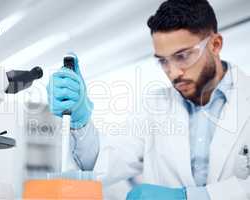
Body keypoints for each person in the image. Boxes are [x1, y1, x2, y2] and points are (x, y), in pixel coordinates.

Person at [47, 0, 250, 199]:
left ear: (215, 45)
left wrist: (192, 197)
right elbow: (103, 164)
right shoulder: (153, 106)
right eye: (163, 61)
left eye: (183, 56)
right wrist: (80, 121)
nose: (173, 72)